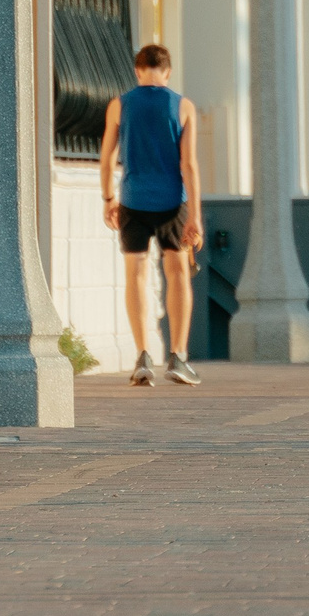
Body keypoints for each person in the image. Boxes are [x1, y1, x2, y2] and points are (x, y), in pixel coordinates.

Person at [97, 42, 203, 387]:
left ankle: (143, 355)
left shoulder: (119, 105)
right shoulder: (183, 106)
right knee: (178, 274)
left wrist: (108, 198)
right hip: (173, 202)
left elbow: (107, 157)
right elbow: (189, 164)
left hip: (132, 200)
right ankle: (178, 356)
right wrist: (195, 215)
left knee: (136, 275)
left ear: (137, 70)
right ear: (167, 71)